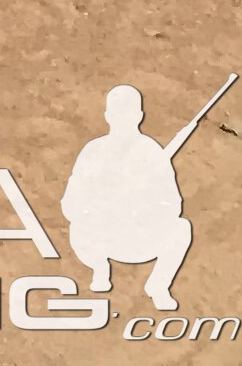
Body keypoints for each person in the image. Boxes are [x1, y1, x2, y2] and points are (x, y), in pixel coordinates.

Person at [62, 84, 198, 312]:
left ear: (139, 116)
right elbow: (70, 202)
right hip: (101, 238)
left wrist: (143, 207)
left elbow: (173, 204)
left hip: (138, 237)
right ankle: (99, 268)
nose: (122, 119)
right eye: (117, 113)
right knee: (78, 226)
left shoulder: (152, 152)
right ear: (108, 116)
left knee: (181, 228)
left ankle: (158, 286)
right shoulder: (93, 151)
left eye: (128, 113)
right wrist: (97, 208)